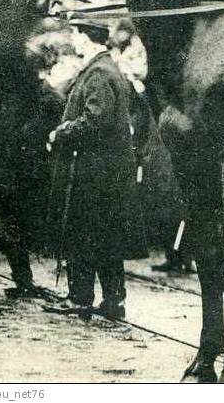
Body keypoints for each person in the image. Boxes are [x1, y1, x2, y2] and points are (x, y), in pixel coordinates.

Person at [42, 18, 148, 320]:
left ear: (88, 39)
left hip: (93, 173)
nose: (74, 42)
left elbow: (95, 121)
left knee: (84, 234)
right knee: (106, 238)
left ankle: (80, 297)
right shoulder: (104, 68)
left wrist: (60, 133)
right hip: (106, 172)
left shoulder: (99, 72)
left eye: (76, 35)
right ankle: (114, 300)